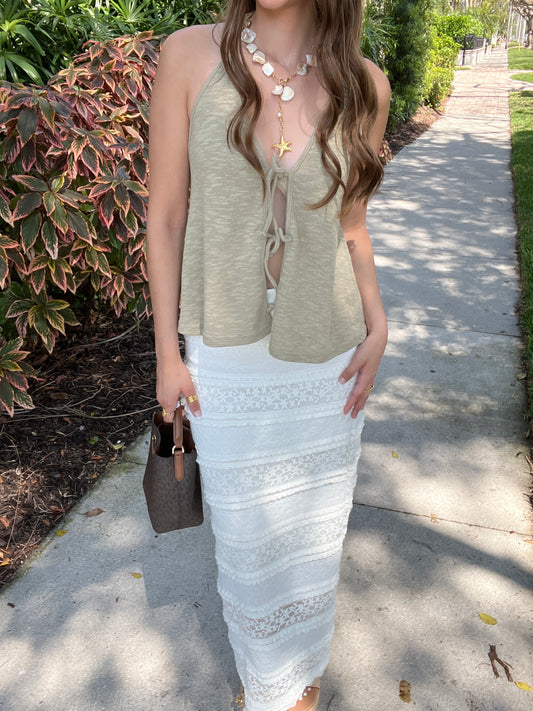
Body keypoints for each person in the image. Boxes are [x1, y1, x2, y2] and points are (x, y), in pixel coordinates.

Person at [146, 1, 390, 709]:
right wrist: (167, 354)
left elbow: (352, 224)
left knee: (312, 544)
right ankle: (265, 686)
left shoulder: (364, 85)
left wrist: (378, 324)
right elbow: (165, 215)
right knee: (247, 548)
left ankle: (299, 682)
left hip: (328, 357)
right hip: (225, 356)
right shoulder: (190, 55)